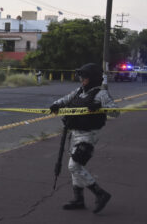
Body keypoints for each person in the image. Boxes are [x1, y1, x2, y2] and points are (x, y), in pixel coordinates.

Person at [49, 63, 118, 213]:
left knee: (74, 166)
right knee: (76, 168)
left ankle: (100, 194)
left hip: (89, 135)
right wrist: (56, 105)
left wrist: (99, 106)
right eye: (81, 76)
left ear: (92, 78)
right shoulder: (79, 91)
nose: (81, 79)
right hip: (74, 134)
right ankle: (78, 199)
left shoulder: (101, 94)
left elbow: (115, 112)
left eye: (84, 77)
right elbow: (65, 99)